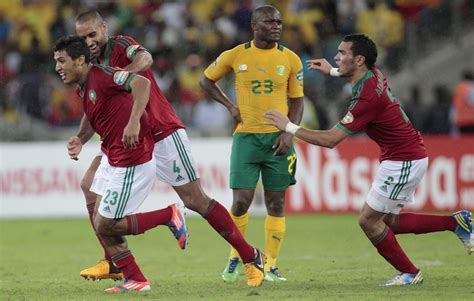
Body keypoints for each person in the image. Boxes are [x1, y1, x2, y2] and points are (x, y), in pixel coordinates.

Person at [72, 10, 266, 288]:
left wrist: (123, 74)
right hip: (125, 139)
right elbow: (95, 108)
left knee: (196, 200)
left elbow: (145, 58)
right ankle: (113, 261)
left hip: (161, 131)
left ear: (104, 28)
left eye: (92, 34)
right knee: (89, 184)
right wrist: (80, 137)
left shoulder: (120, 45)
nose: (89, 41)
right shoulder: (90, 65)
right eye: (82, 37)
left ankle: (251, 256)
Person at [263, 33, 473, 286]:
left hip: (403, 159)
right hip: (404, 155)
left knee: (368, 220)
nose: (336, 56)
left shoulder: (367, 97)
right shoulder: (374, 73)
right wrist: (331, 72)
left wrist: (289, 126)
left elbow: (331, 140)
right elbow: (353, 73)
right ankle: (456, 222)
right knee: (389, 223)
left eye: (342, 53)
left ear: (359, 59)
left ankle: (409, 272)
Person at [54, 35, 187, 292]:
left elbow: (141, 84)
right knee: (89, 188)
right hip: (111, 155)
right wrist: (81, 139)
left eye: (62, 61)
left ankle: (168, 216)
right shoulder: (84, 85)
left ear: (80, 60)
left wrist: (134, 120)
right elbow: (93, 113)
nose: (58, 67)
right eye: (56, 61)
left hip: (131, 159)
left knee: (105, 224)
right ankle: (129, 275)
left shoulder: (104, 75)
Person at [200, 5, 304, 283]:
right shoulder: (237, 54)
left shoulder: (291, 59)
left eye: (279, 22)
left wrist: (290, 132)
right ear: (255, 26)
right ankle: (238, 255)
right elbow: (206, 80)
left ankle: (270, 265)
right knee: (241, 202)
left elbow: (298, 100)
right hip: (246, 137)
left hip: (278, 139)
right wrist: (230, 106)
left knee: (276, 203)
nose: (277, 26)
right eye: (270, 22)